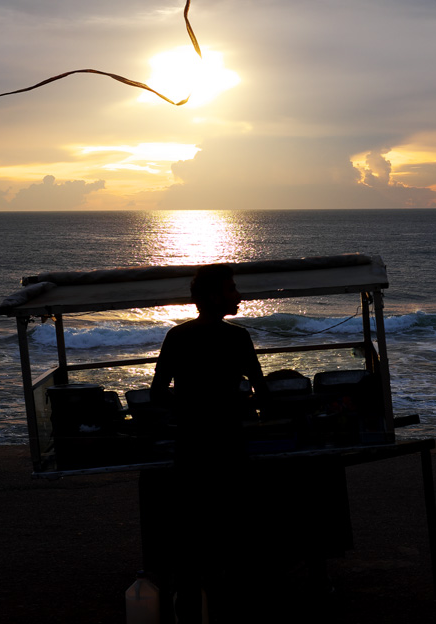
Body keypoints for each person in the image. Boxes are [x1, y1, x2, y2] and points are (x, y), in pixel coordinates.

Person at [150, 263, 266, 621]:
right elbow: (262, 392)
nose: (239, 295)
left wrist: (189, 406)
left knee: (191, 536)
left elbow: (157, 394)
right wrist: (240, 402)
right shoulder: (237, 337)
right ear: (215, 296)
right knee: (233, 535)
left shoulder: (177, 336)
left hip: (191, 449)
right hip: (229, 448)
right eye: (232, 289)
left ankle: (188, 604)